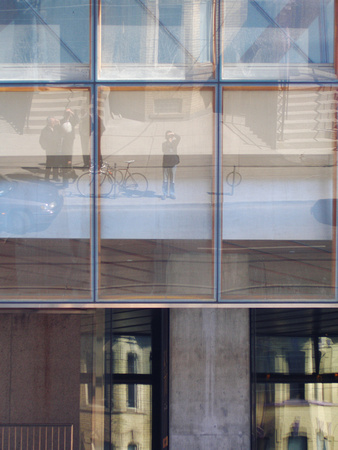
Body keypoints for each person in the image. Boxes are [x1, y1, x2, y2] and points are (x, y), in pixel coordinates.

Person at [39, 116, 62, 181]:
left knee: (56, 164)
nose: (53, 123)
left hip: (56, 149)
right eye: (52, 122)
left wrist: (59, 123)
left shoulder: (56, 128)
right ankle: (47, 177)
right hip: (49, 150)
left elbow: (62, 132)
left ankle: (55, 177)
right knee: (49, 164)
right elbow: (41, 140)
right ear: (48, 122)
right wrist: (45, 147)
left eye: (54, 121)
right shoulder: (45, 130)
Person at [60, 108, 79, 182]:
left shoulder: (72, 120)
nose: (68, 115)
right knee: (66, 156)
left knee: (69, 155)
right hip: (64, 140)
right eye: (66, 113)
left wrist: (73, 113)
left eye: (68, 114)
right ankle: (68, 170)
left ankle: (69, 169)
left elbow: (77, 120)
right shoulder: (62, 121)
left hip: (70, 140)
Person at [162, 130, 180, 200]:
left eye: (171, 136)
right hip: (166, 163)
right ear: (166, 137)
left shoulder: (175, 142)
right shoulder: (164, 144)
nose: (170, 137)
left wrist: (173, 133)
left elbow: (179, 138)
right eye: (168, 136)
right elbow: (164, 150)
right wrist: (169, 142)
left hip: (173, 163)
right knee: (165, 180)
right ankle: (164, 194)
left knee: (172, 180)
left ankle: (172, 194)